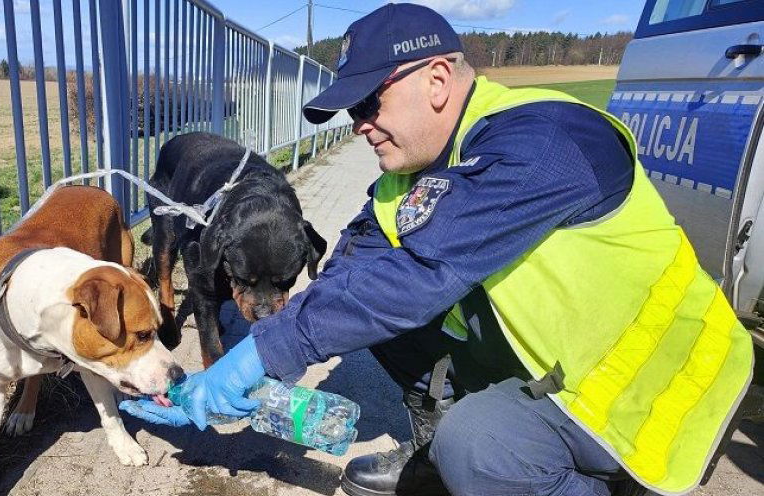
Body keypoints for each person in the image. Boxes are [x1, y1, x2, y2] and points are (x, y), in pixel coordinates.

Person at [121, 4, 753, 496]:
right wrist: (258, 365)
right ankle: (439, 449)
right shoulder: (413, 171)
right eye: (351, 112)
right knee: (363, 310)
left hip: (654, 387)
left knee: (477, 447)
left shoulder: (546, 140)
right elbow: (350, 278)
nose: (359, 124)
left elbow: (420, 272)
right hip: (565, 365)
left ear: (439, 80)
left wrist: (261, 350)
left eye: (370, 102)